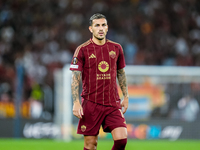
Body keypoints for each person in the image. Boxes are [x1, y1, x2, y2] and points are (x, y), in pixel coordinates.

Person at [70, 13, 129, 150]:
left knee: (121, 140)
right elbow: (75, 77)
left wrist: (126, 96)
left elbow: (121, 73)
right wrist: (76, 102)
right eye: (97, 25)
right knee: (91, 145)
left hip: (112, 103)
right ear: (91, 29)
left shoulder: (116, 48)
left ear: (107, 28)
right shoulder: (82, 50)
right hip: (91, 103)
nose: (101, 28)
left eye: (103, 25)